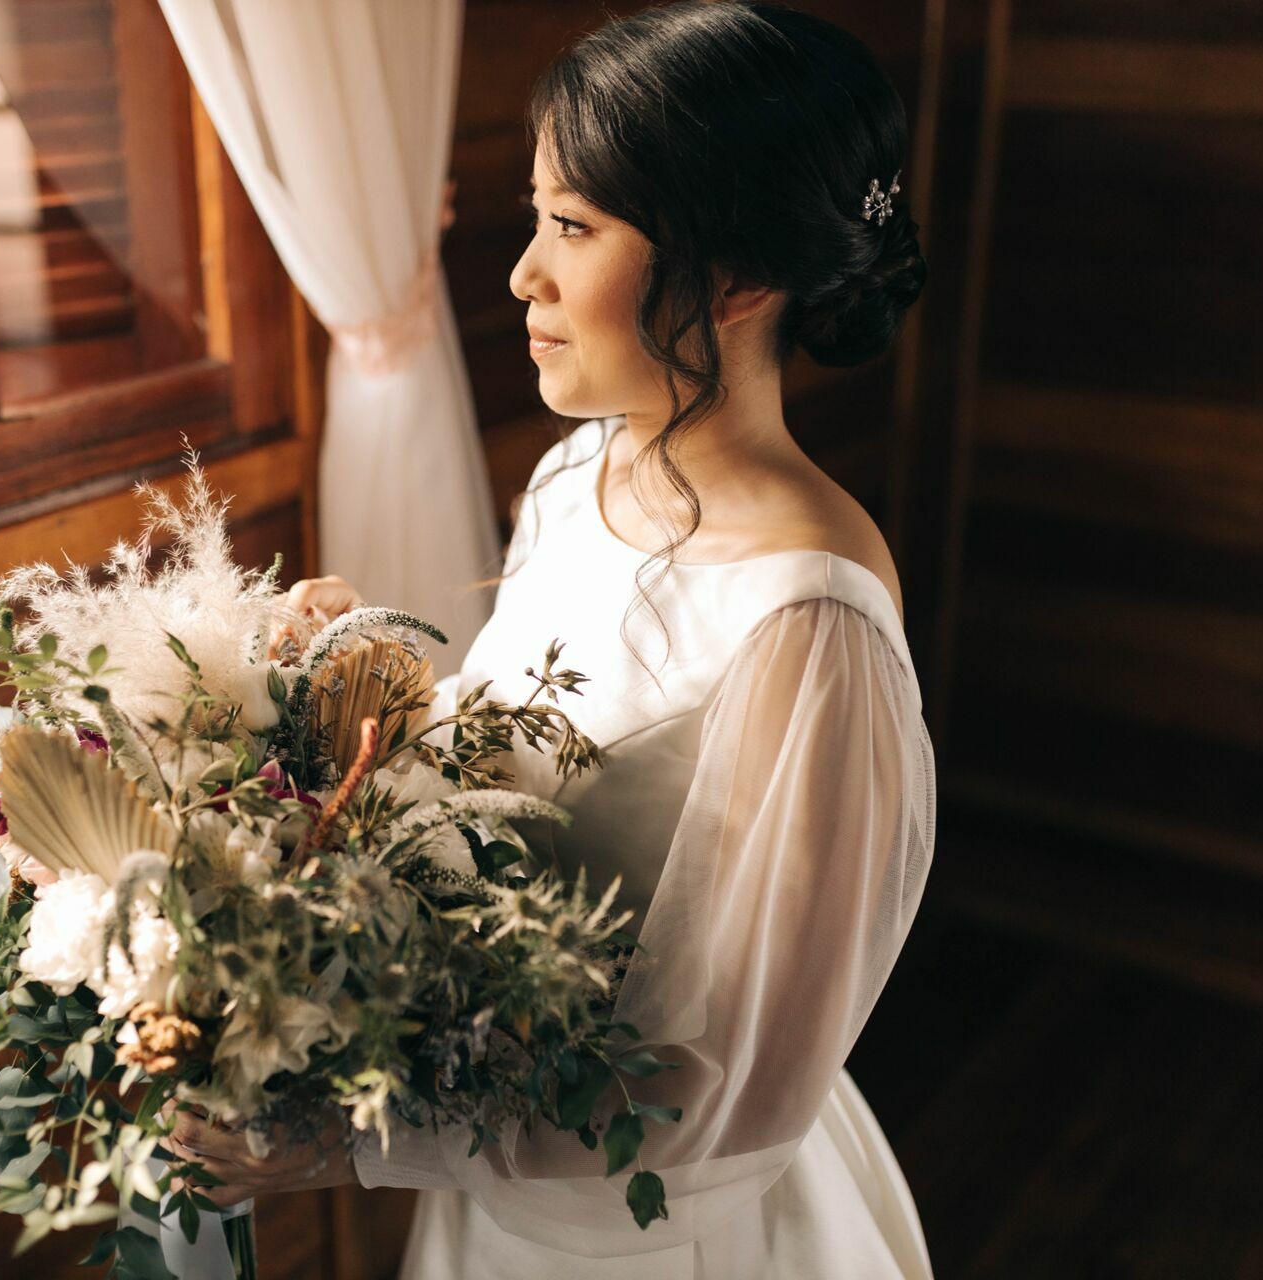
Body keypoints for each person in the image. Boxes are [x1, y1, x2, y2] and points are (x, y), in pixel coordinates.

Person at [165, 3, 936, 1275]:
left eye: (573, 227)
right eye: (537, 216)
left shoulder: (812, 624)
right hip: (497, 1177)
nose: (524, 272)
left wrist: (360, 1143)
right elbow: (525, 769)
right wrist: (350, 699)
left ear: (738, 272)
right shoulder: (580, 473)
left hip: (659, 1214)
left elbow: (725, 1078)